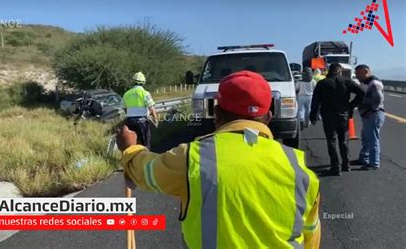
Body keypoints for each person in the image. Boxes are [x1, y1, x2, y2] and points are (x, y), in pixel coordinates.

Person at [117, 71, 321, 248]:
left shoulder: (191, 158)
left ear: (217, 114)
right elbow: (311, 237)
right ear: (268, 117)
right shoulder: (301, 169)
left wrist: (130, 149)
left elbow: (146, 172)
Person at [309, 63, 365, 176]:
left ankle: (335, 167)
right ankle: (346, 164)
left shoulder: (322, 83)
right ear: (340, 71)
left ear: (330, 71)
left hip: (328, 117)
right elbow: (361, 92)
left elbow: (315, 102)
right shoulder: (346, 81)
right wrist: (351, 105)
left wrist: (313, 116)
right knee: (343, 141)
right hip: (343, 115)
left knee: (331, 141)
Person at [353, 65, 385, 170]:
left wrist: (372, 110)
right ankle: (363, 158)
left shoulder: (374, 83)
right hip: (370, 115)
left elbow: (378, 98)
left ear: (366, 71)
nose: (357, 76)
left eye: (358, 74)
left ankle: (374, 163)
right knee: (366, 138)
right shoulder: (368, 83)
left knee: (372, 140)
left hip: (373, 115)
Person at [122, 71, 158, 149]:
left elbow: (124, 108)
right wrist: (156, 120)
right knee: (145, 144)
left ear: (133, 82)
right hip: (142, 121)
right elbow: (151, 108)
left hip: (129, 121)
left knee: (132, 145)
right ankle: (146, 159)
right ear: (143, 82)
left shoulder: (126, 94)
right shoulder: (145, 93)